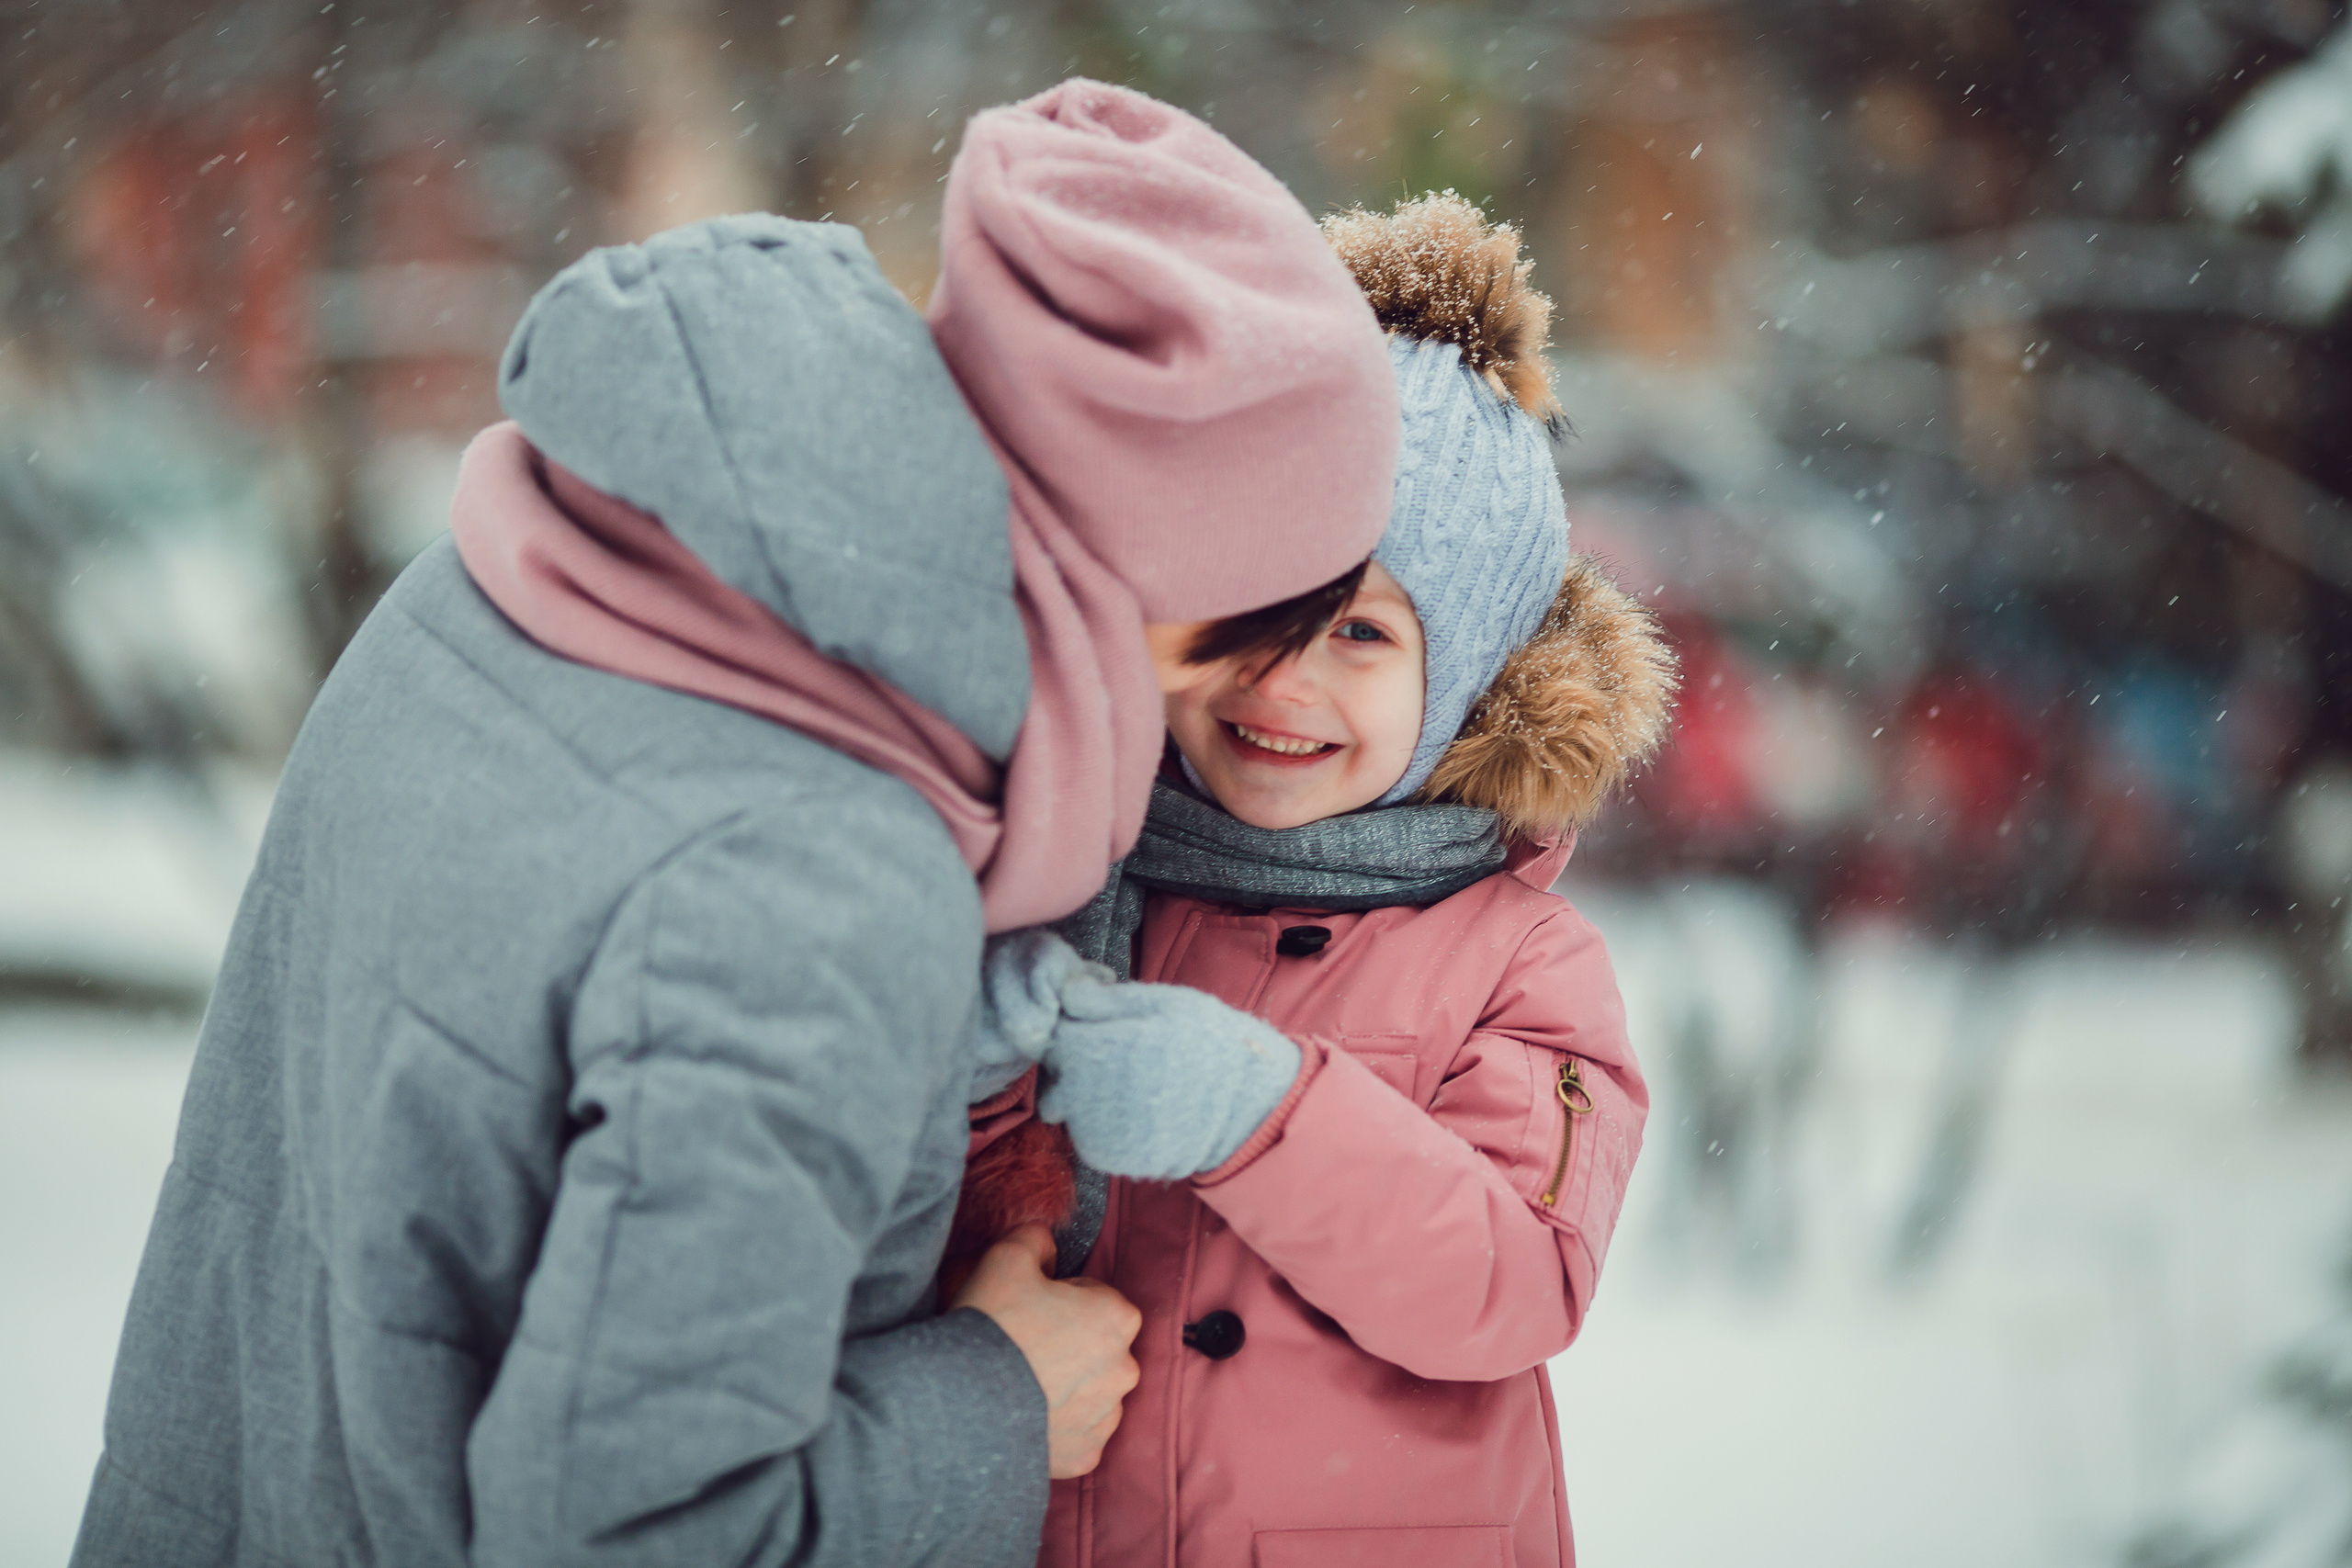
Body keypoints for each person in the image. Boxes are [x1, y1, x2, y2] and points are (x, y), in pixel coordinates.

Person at [70, 81, 1397, 1568]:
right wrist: (1001, 1398)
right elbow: (624, 1533)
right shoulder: (819, 878)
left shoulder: (528, 567)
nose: (1224, 709)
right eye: (1244, 637)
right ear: (1159, 572)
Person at [948, 193, 1679, 1567]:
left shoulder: (1519, 959)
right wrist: (980, 1079)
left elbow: (1515, 1279)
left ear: (1462, 669)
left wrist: (1261, 1113)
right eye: (1254, 605)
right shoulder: (1076, 880)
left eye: (1357, 627)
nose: (1282, 678)